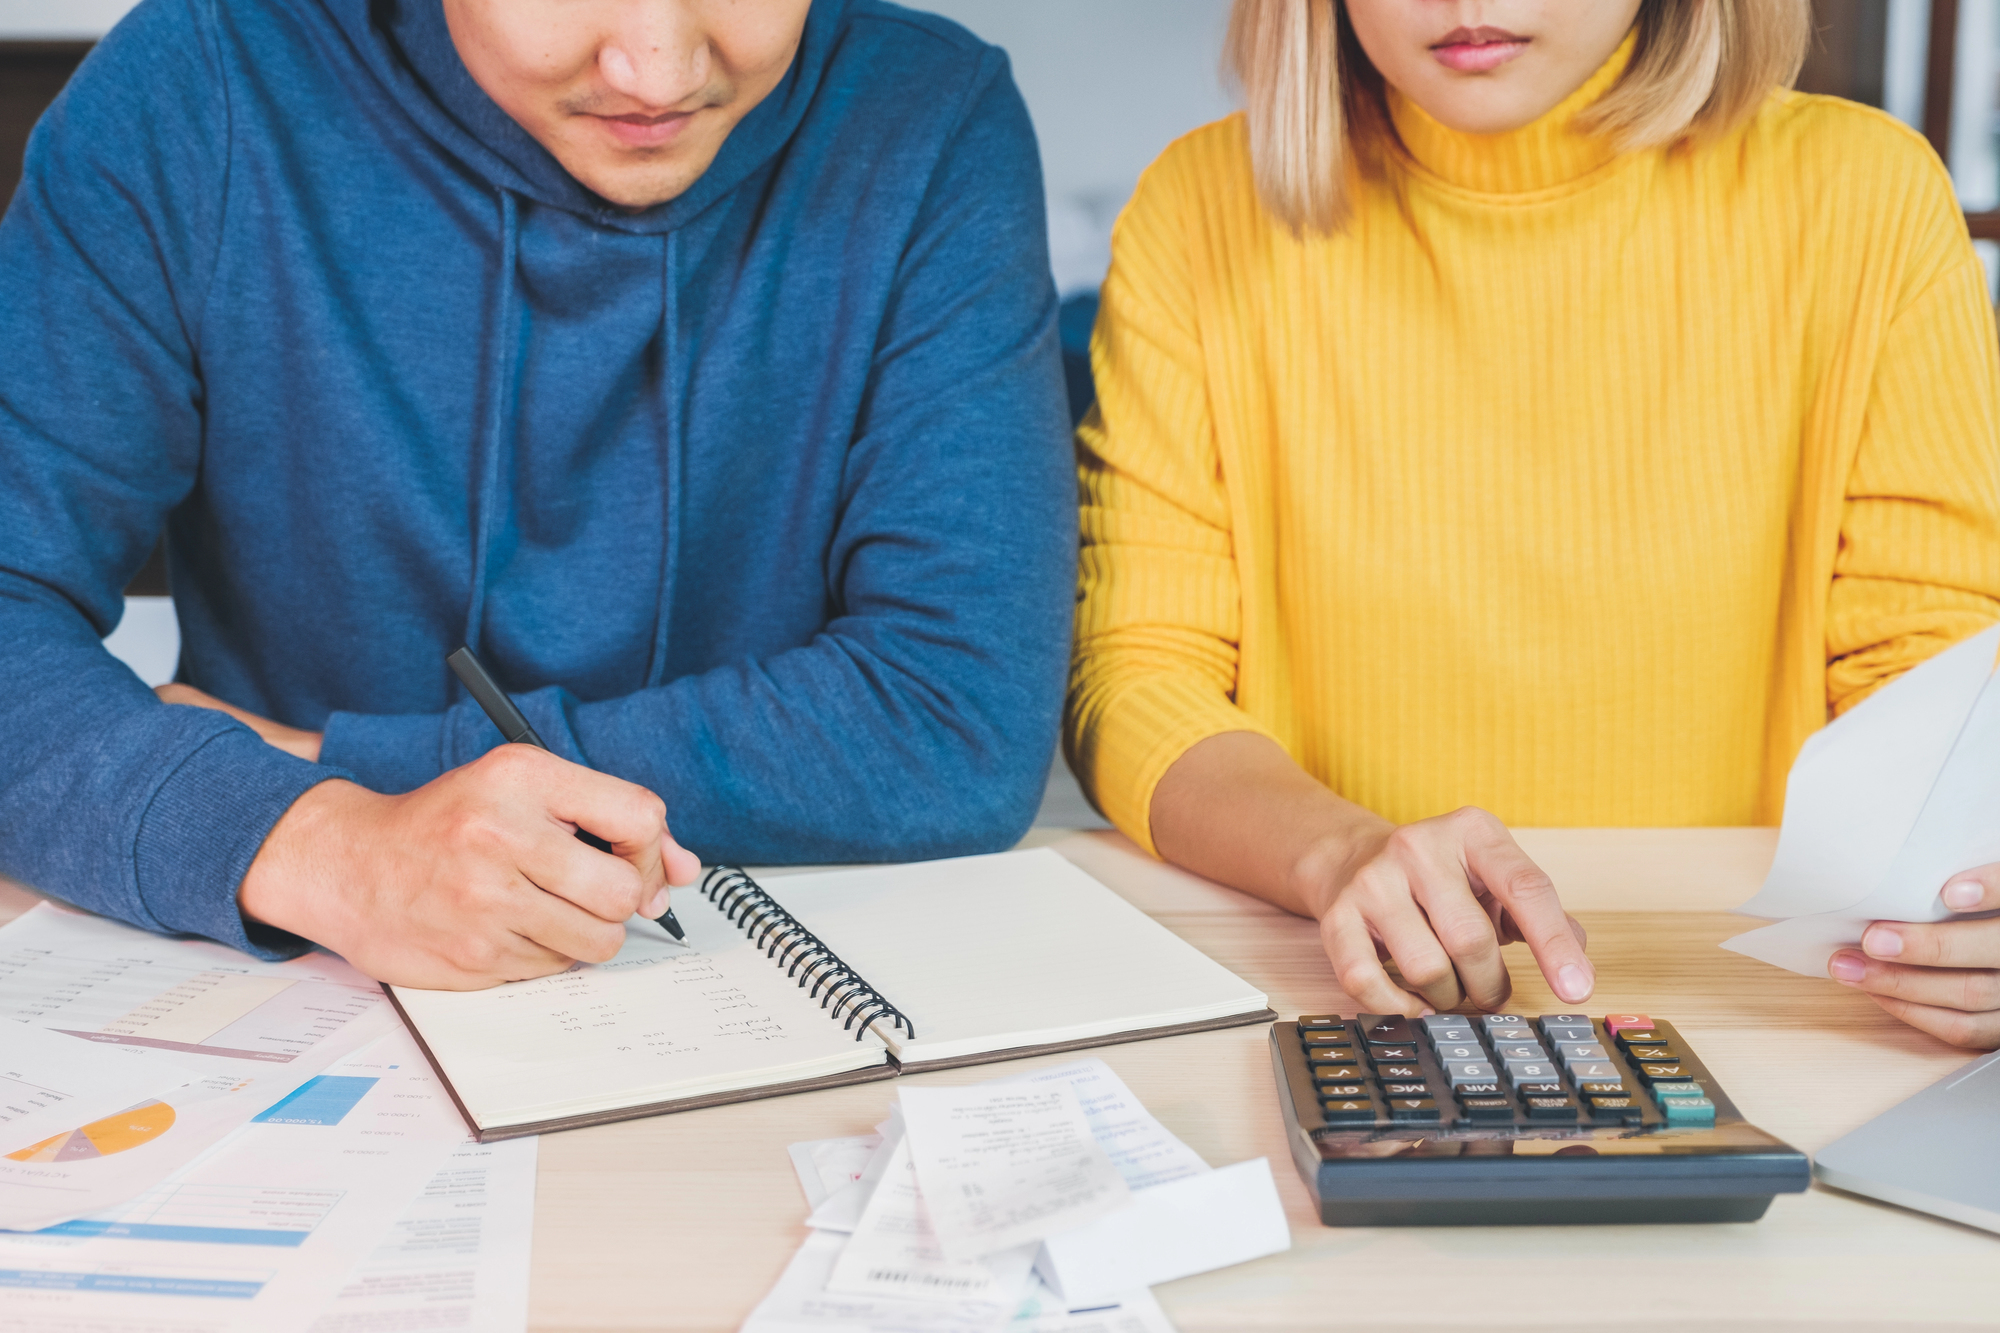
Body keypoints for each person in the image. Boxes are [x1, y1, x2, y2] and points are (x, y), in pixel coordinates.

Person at [0, 0, 1075, 989]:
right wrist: (320, 843)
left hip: (763, 976)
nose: (654, 68)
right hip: (288, 988)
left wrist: (336, 760)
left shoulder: (930, 116)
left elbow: (955, 715)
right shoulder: (199, 85)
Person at [1066, 0, 2000, 1048]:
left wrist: (1963, 902)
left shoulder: (1864, 198)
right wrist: (1335, 855)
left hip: (1771, 1004)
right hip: (1339, 987)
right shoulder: (1196, 208)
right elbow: (1137, 676)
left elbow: (1931, 674)